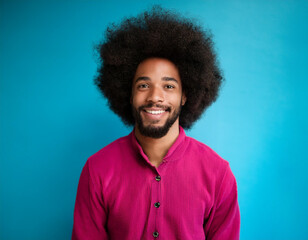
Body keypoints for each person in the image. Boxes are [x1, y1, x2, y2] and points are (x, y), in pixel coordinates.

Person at [72, 6, 240, 240]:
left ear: (185, 95)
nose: (154, 97)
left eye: (169, 86)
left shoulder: (218, 175)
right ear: (128, 94)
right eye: (143, 85)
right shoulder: (97, 170)